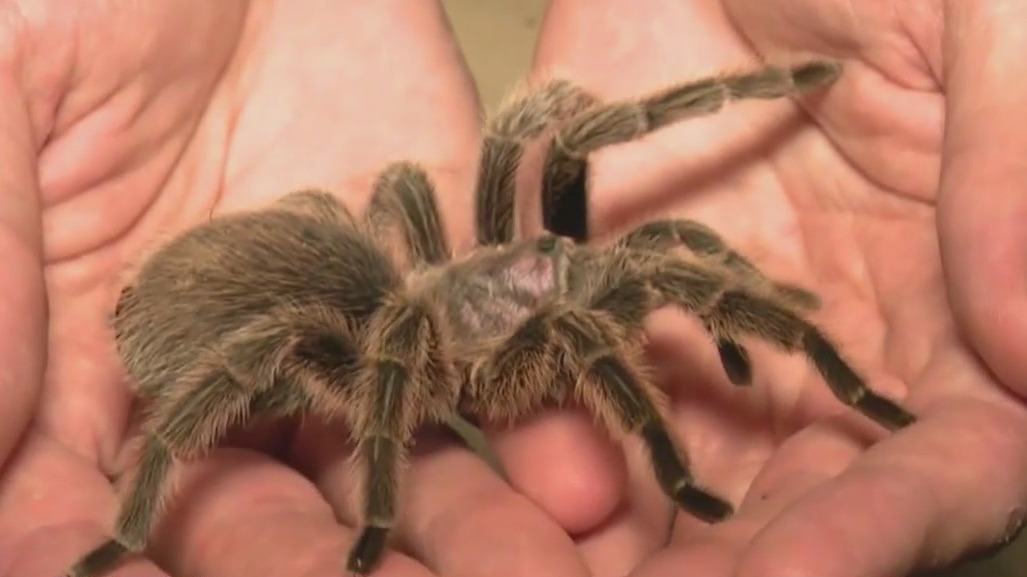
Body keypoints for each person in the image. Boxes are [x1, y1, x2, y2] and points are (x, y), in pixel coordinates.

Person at [1, 1, 1025, 576]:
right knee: (488, 315)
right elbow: (462, 329)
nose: (563, 257)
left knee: (607, 207)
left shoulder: (520, 257)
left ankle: (846, 386)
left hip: (364, 294)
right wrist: (381, 515)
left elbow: (550, 177)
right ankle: (134, 525)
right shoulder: (485, 328)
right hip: (259, 321)